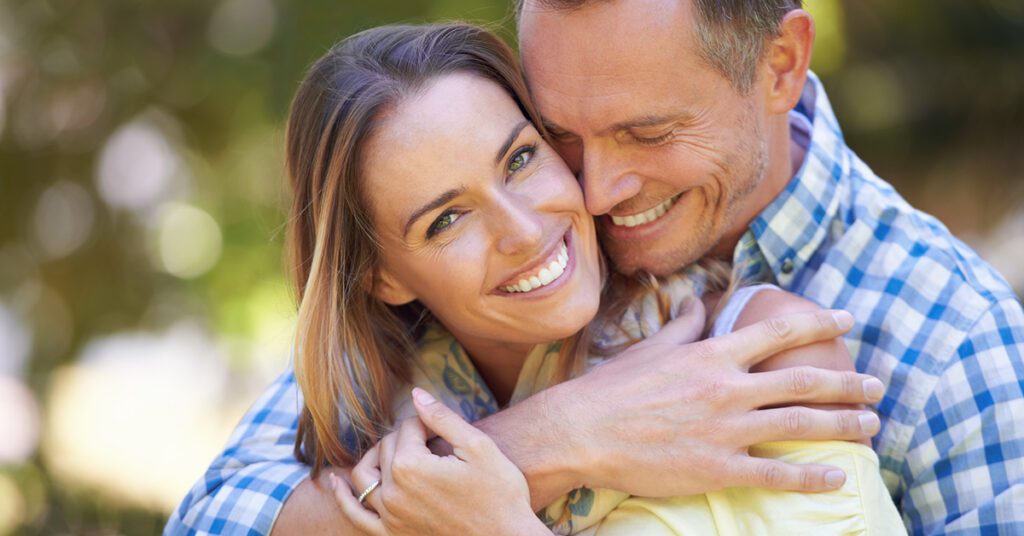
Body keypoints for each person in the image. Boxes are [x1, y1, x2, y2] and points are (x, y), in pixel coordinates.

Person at [168, 1, 1024, 534]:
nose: (598, 190)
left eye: (647, 133)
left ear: (781, 66)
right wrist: (562, 436)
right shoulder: (459, 314)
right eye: (561, 135)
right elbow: (220, 515)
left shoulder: (950, 336)